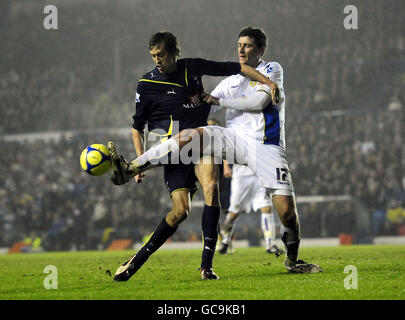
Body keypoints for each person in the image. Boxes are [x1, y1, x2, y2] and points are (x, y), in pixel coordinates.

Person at [108, 26, 322, 273]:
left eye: (248, 45)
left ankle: (292, 261)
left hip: (266, 148)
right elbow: (203, 107)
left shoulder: (271, 70)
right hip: (233, 141)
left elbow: (259, 102)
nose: (241, 49)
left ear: (260, 49)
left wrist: (218, 100)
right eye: (239, 45)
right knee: (190, 136)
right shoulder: (229, 83)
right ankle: (131, 167)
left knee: (287, 214)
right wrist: (193, 102)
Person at [218, 163, 285, 257]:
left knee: (267, 207)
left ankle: (270, 244)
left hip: (260, 175)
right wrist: (226, 167)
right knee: (234, 212)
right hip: (241, 176)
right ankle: (225, 239)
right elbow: (227, 148)